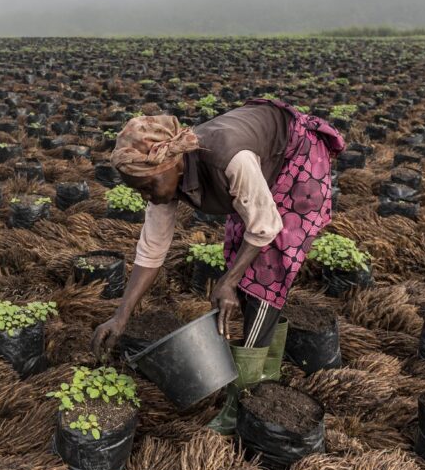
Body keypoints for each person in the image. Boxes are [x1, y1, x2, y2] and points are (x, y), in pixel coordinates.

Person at [90, 98, 345, 434]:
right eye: (139, 191)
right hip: (259, 164)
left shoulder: (228, 158)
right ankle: (267, 372)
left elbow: (266, 225)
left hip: (297, 157)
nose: (146, 196)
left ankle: (242, 399)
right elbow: (152, 249)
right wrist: (121, 316)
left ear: (173, 163)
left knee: (267, 271)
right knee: (241, 250)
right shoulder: (163, 178)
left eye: (148, 187)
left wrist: (229, 281)